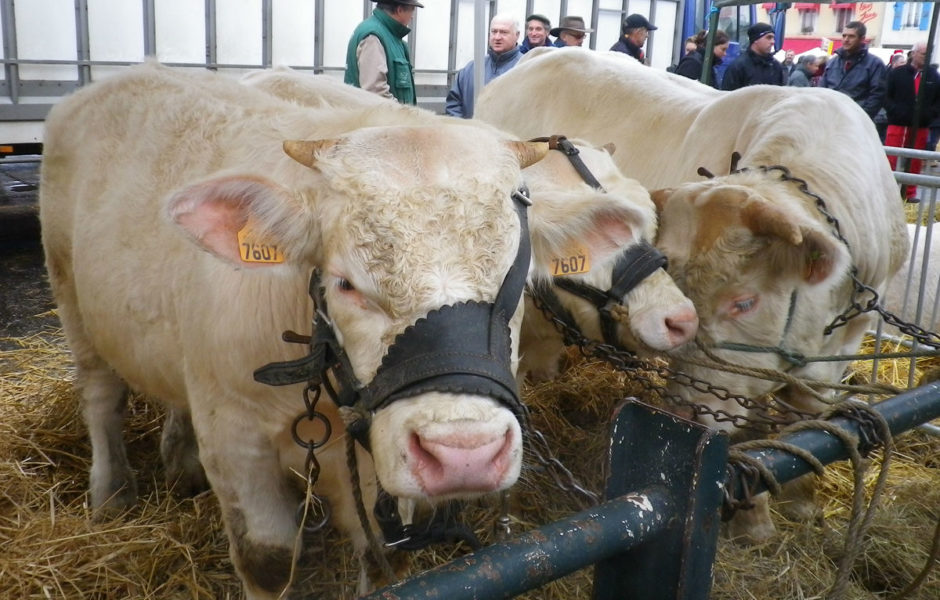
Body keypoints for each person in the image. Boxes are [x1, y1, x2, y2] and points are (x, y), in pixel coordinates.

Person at [884, 42, 940, 202]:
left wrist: (930, 115)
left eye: (929, 53)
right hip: (898, 122)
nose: (926, 57)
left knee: (915, 160)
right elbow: (886, 95)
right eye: (923, 53)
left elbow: (938, 100)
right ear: (913, 54)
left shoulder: (933, 76)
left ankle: (909, 193)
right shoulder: (898, 73)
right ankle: (888, 191)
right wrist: (894, 110)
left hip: (921, 125)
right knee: (891, 158)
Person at [344, 0, 423, 105]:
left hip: (391, 119)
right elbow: (375, 93)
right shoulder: (373, 37)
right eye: (412, 11)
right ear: (399, 10)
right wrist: (407, 115)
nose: (412, 17)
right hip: (379, 120)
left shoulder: (391, 37)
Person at [445, 14, 521, 118]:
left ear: (517, 35)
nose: (497, 37)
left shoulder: (525, 67)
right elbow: (454, 104)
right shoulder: (471, 69)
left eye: (504, 32)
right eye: (494, 32)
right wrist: (464, 131)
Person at [818, 21, 886, 120]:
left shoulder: (874, 64)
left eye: (851, 36)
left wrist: (862, 118)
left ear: (862, 39)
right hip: (830, 118)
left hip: (857, 120)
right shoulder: (832, 62)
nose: (846, 39)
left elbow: (877, 96)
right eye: (844, 36)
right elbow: (822, 91)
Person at [721, 23, 786, 91]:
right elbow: (728, 96)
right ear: (755, 39)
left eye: (773, 38)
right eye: (769, 37)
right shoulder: (738, 66)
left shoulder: (776, 67)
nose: (773, 42)